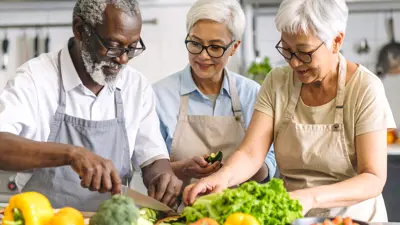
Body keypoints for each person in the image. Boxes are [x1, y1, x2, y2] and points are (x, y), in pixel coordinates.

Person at [183, 0, 396, 222]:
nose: (294, 63)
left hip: (352, 218)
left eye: (304, 52)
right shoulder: (277, 82)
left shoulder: (365, 88)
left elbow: (373, 177)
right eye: (286, 49)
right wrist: (222, 177)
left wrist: (310, 198)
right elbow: (251, 154)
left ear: (336, 41)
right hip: (293, 216)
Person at [0, 0, 182, 211]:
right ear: (80, 30)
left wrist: (163, 176)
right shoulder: (34, 80)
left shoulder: (136, 86)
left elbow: (152, 157)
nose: (123, 59)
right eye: (113, 46)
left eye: (132, 48)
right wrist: (70, 154)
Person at [153, 0, 276, 190]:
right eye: (195, 43)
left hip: (241, 216)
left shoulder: (251, 93)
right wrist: (184, 168)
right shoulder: (159, 95)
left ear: (234, 47)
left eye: (215, 47)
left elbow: (270, 160)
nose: (203, 55)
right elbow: (147, 165)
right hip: (179, 213)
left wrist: (237, 168)